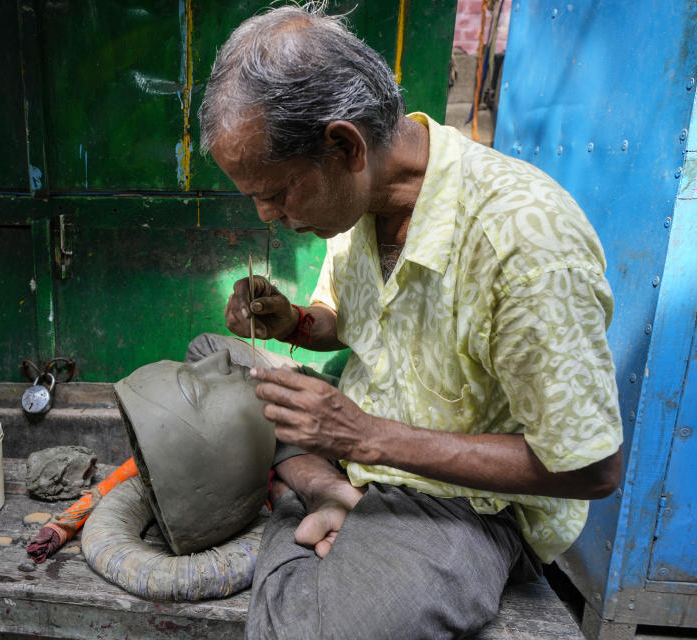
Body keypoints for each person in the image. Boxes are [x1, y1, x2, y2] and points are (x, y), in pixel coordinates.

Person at [195, 4, 624, 639]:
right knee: (212, 351)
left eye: (277, 191)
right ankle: (324, 495)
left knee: (309, 631)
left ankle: (302, 493)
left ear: (345, 145)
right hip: (353, 448)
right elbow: (355, 322)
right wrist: (294, 325)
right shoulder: (361, 199)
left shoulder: (525, 242)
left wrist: (362, 438)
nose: (266, 215)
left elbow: (593, 469)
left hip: (461, 502)